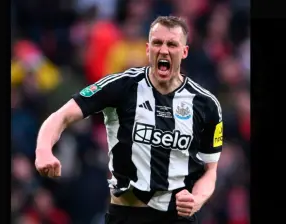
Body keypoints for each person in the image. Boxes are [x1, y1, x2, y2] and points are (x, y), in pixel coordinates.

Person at [35, 16, 223, 224]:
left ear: (184, 51)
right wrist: (43, 150)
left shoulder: (206, 104)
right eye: (157, 43)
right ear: (147, 48)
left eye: (172, 44)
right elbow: (61, 115)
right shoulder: (122, 86)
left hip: (177, 218)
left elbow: (210, 171)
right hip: (126, 215)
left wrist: (197, 199)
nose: (163, 50)